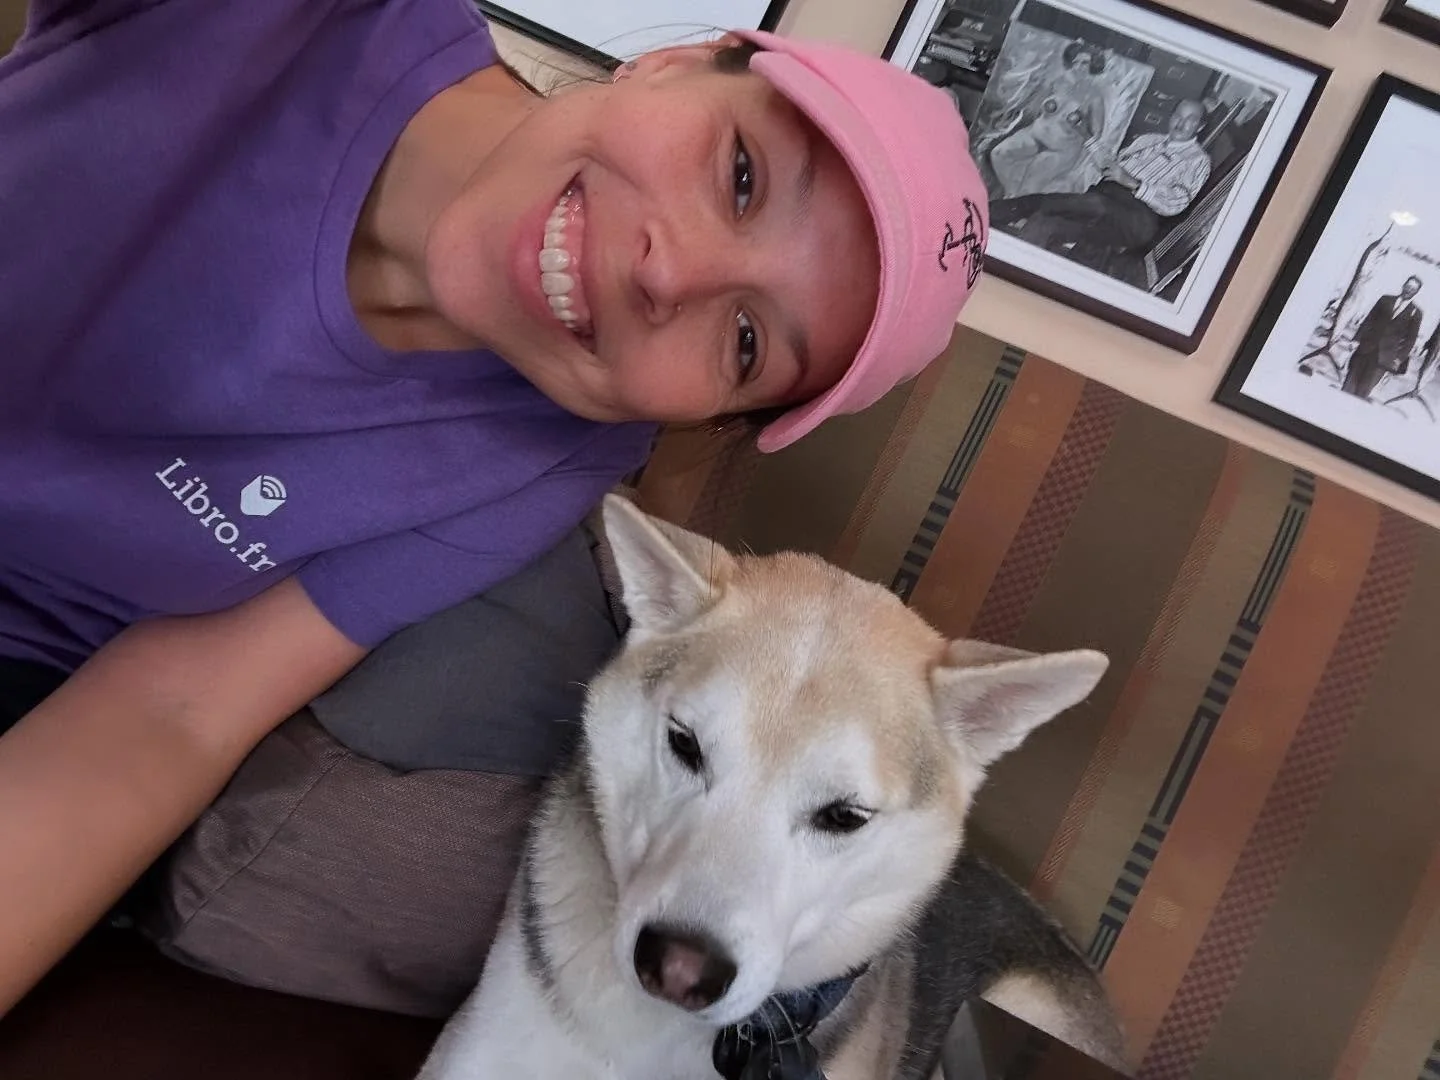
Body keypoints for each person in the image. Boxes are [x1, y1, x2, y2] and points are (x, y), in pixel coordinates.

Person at [0, 0, 988, 1011]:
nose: (670, 269)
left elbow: (173, 713)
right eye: (740, 174)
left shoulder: (555, 453)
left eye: (744, 342)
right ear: (678, 63)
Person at [1014, 98, 1211, 257]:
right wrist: (1085, 134)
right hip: (1103, 203)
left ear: (1200, 127)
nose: (1181, 122)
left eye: (1191, 119)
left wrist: (1132, 183)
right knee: (1045, 222)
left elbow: (1177, 203)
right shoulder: (1148, 140)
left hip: (1138, 216)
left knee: (1095, 203)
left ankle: (1019, 206)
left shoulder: (1198, 160)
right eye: (1178, 115)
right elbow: (1110, 166)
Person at [984, 39, 1110, 200]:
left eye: (1084, 63)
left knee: (1031, 181)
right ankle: (1013, 195)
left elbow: (1097, 134)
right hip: (1035, 135)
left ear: (1093, 67)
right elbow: (1033, 107)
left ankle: (1014, 202)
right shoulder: (1056, 83)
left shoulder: (1094, 97)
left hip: (1061, 150)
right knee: (999, 154)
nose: (1078, 66)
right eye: (1076, 62)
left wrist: (1080, 126)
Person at [1343, 276, 1424, 400]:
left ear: (1416, 292)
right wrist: (1356, 340)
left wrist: (1399, 358)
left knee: (1363, 391)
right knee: (1348, 385)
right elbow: (1368, 320)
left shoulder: (1416, 313)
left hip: (1385, 358)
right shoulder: (1385, 299)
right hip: (1366, 348)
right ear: (1403, 285)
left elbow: (1410, 340)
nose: (1409, 290)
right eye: (1408, 286)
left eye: (1413, 289)